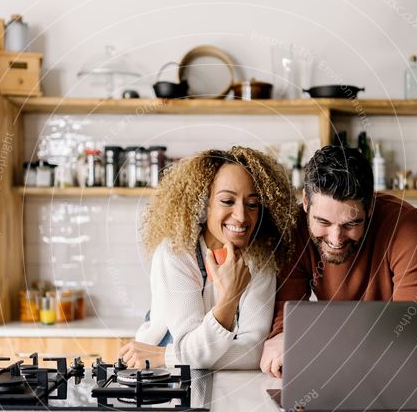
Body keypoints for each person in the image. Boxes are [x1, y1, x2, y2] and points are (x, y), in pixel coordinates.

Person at [260, 145, 417, 377]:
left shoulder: (405, 224)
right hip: (353, 360)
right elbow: (286, 322)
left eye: (350, 224)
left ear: (370, 207)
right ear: (305, 202)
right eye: (323, 222)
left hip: (392, 368)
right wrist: (284, 338)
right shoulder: (294, 228)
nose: (336, 239)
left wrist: (311, 340)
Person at [119, 147, 295, 370]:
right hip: (163, 378)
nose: (241, 216)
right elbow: (191, 347)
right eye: (227, 201)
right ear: (205, 203)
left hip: (172, 363)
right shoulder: (176, 253)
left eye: (252, 204)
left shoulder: (261, 261)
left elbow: (253, 352)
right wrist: (231, 295)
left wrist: (168, 356)